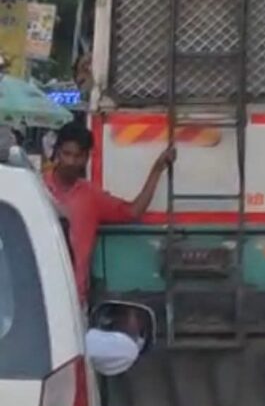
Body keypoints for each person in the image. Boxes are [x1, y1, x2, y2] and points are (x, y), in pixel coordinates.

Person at [44, 122, 174, 303]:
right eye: (67, 154)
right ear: (57, 152)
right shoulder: (36, 186)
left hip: (74, 299)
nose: (71, 162)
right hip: (39, 293)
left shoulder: (91, 195)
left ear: (87, 158)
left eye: (78, 156)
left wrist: (157, 169)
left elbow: (133, 211)